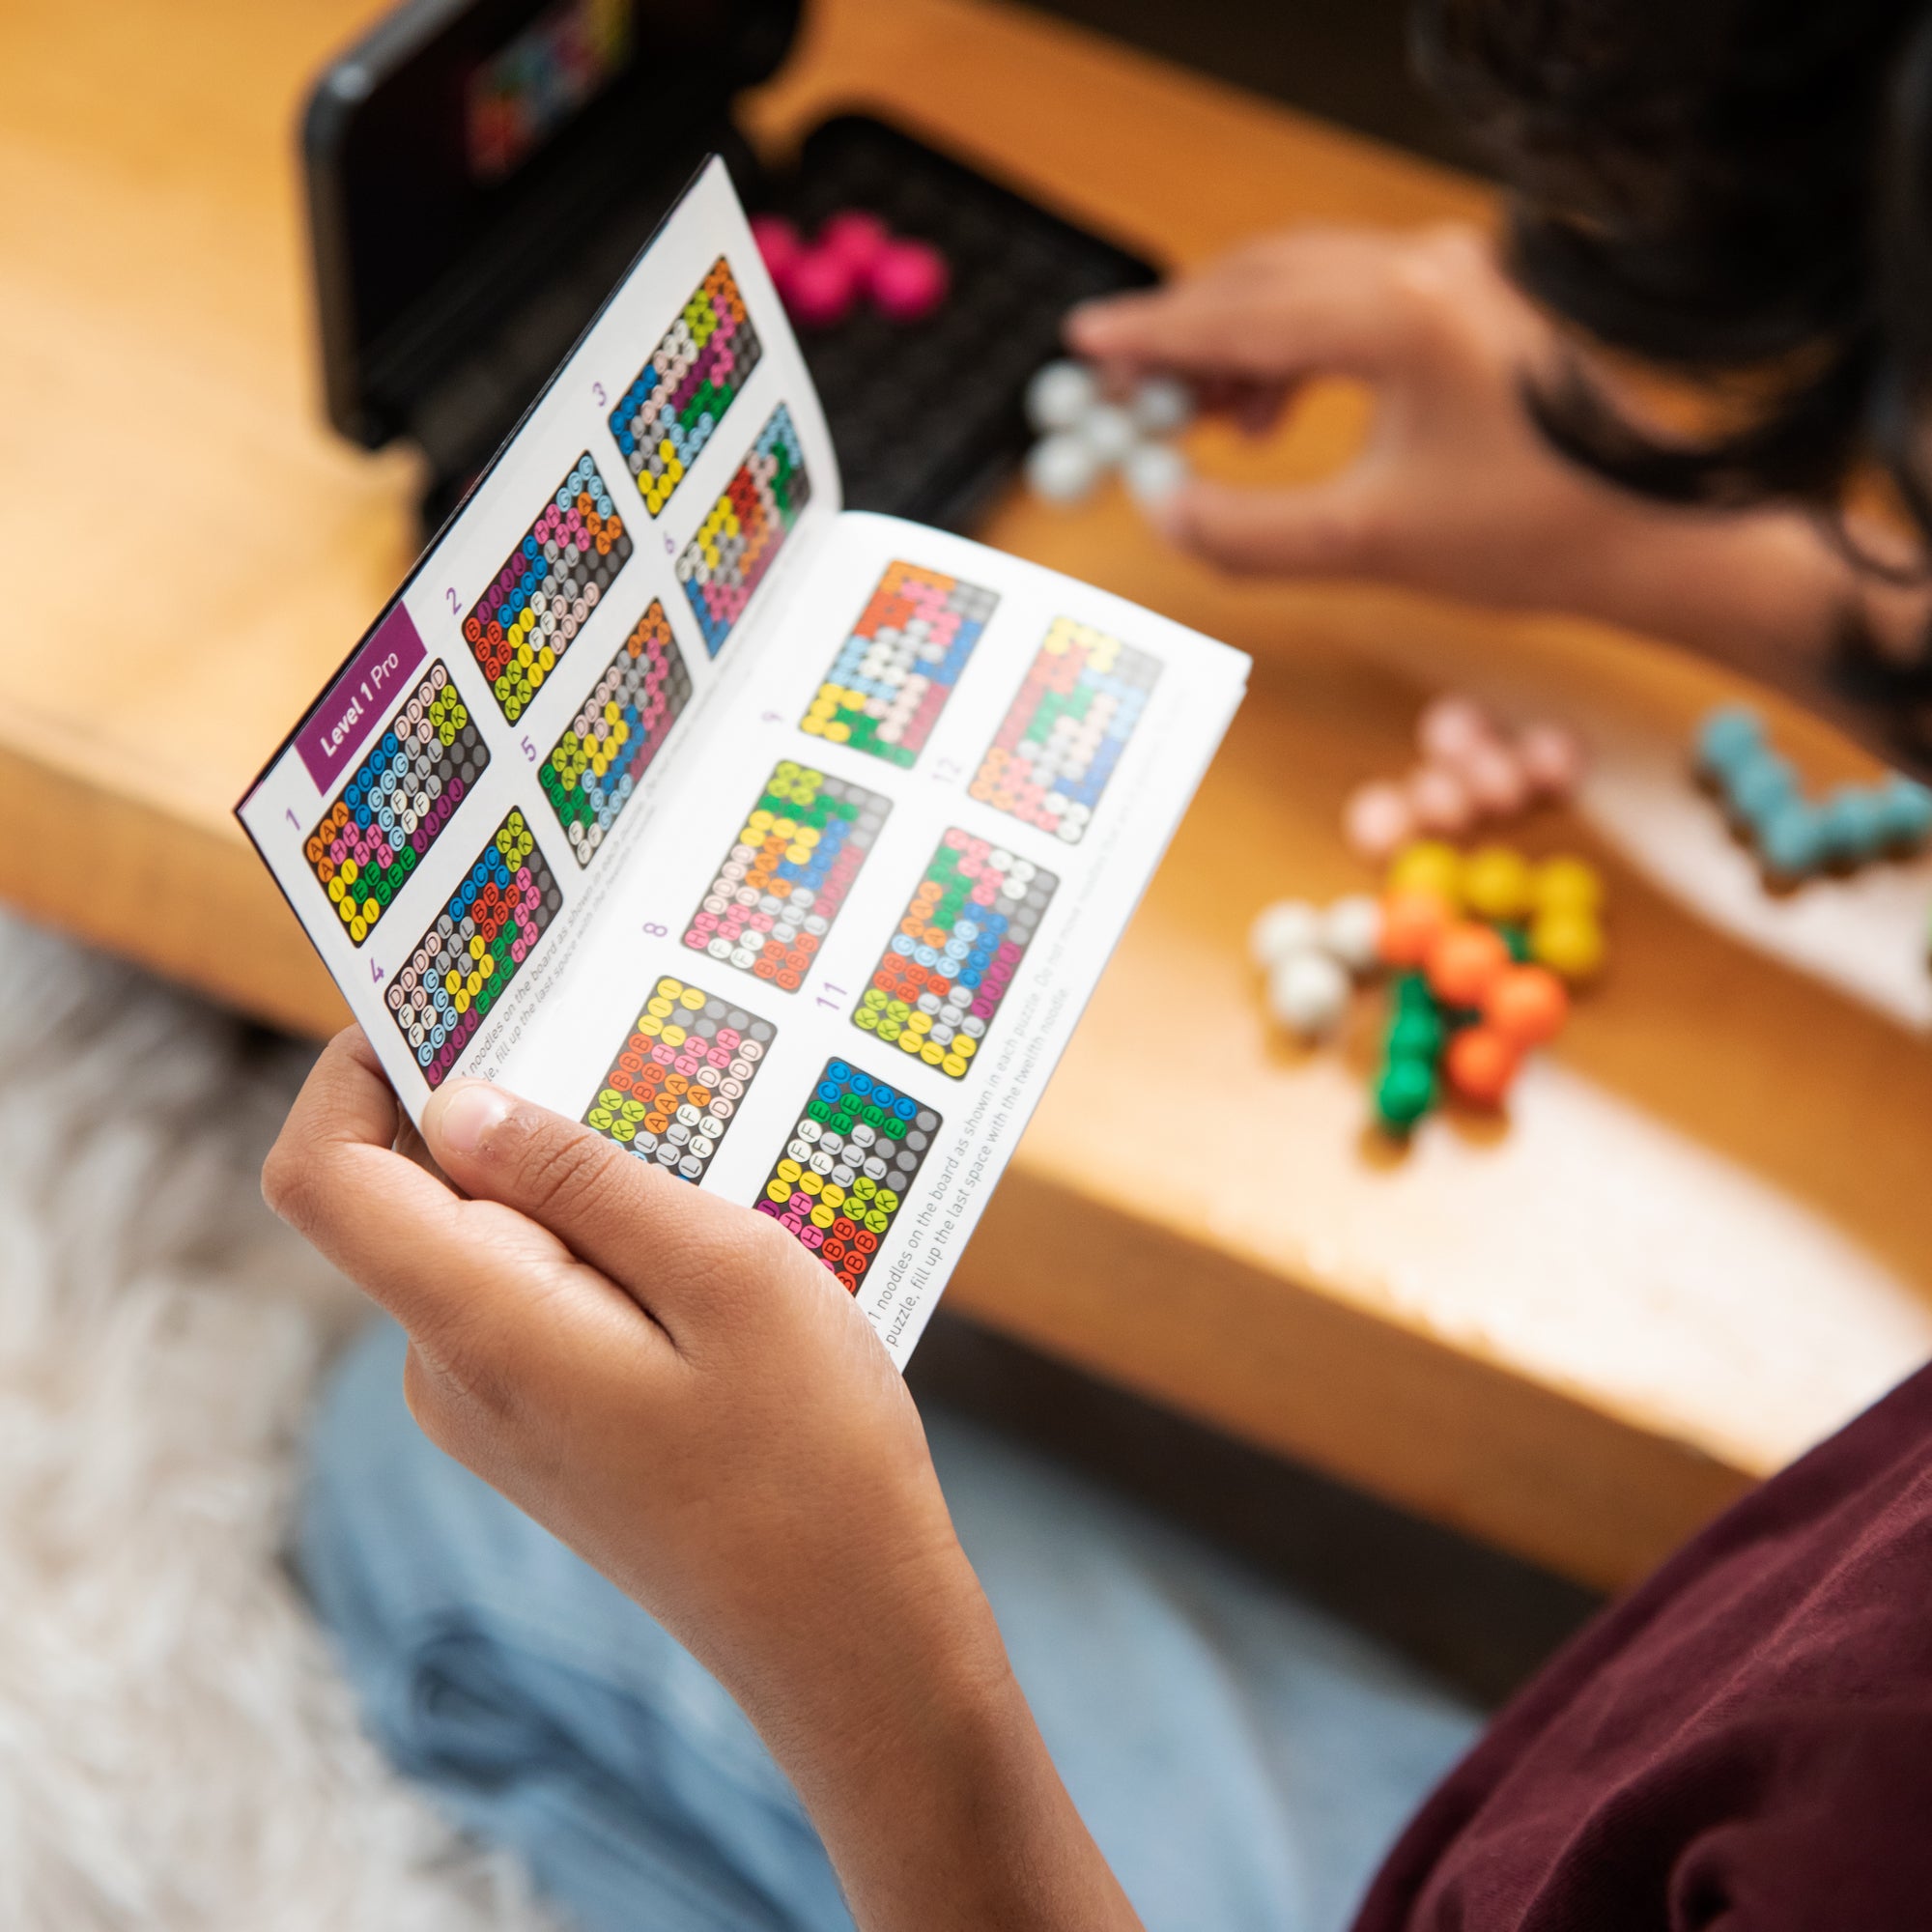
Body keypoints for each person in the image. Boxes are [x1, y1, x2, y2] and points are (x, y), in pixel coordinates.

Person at [273, 1, 1932, 1926]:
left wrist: (878, 1696)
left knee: (430, 1511)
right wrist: (1644, 526)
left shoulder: (1855, 1823)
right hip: (1585, 1793)